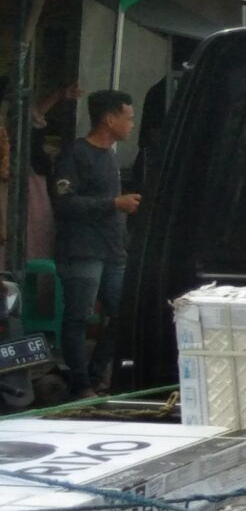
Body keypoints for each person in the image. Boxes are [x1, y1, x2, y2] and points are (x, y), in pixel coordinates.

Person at [53, 89, 138, 395]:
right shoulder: (75, 154)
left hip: (113, 251)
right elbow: (64, 203)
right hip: (81, 250)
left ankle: (95, 372)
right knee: (77, 317)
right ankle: (80, 384)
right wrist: (113, 204)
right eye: (128, 117)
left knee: (124, 313)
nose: (132, 124)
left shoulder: (110, 156)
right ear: (109, 118)